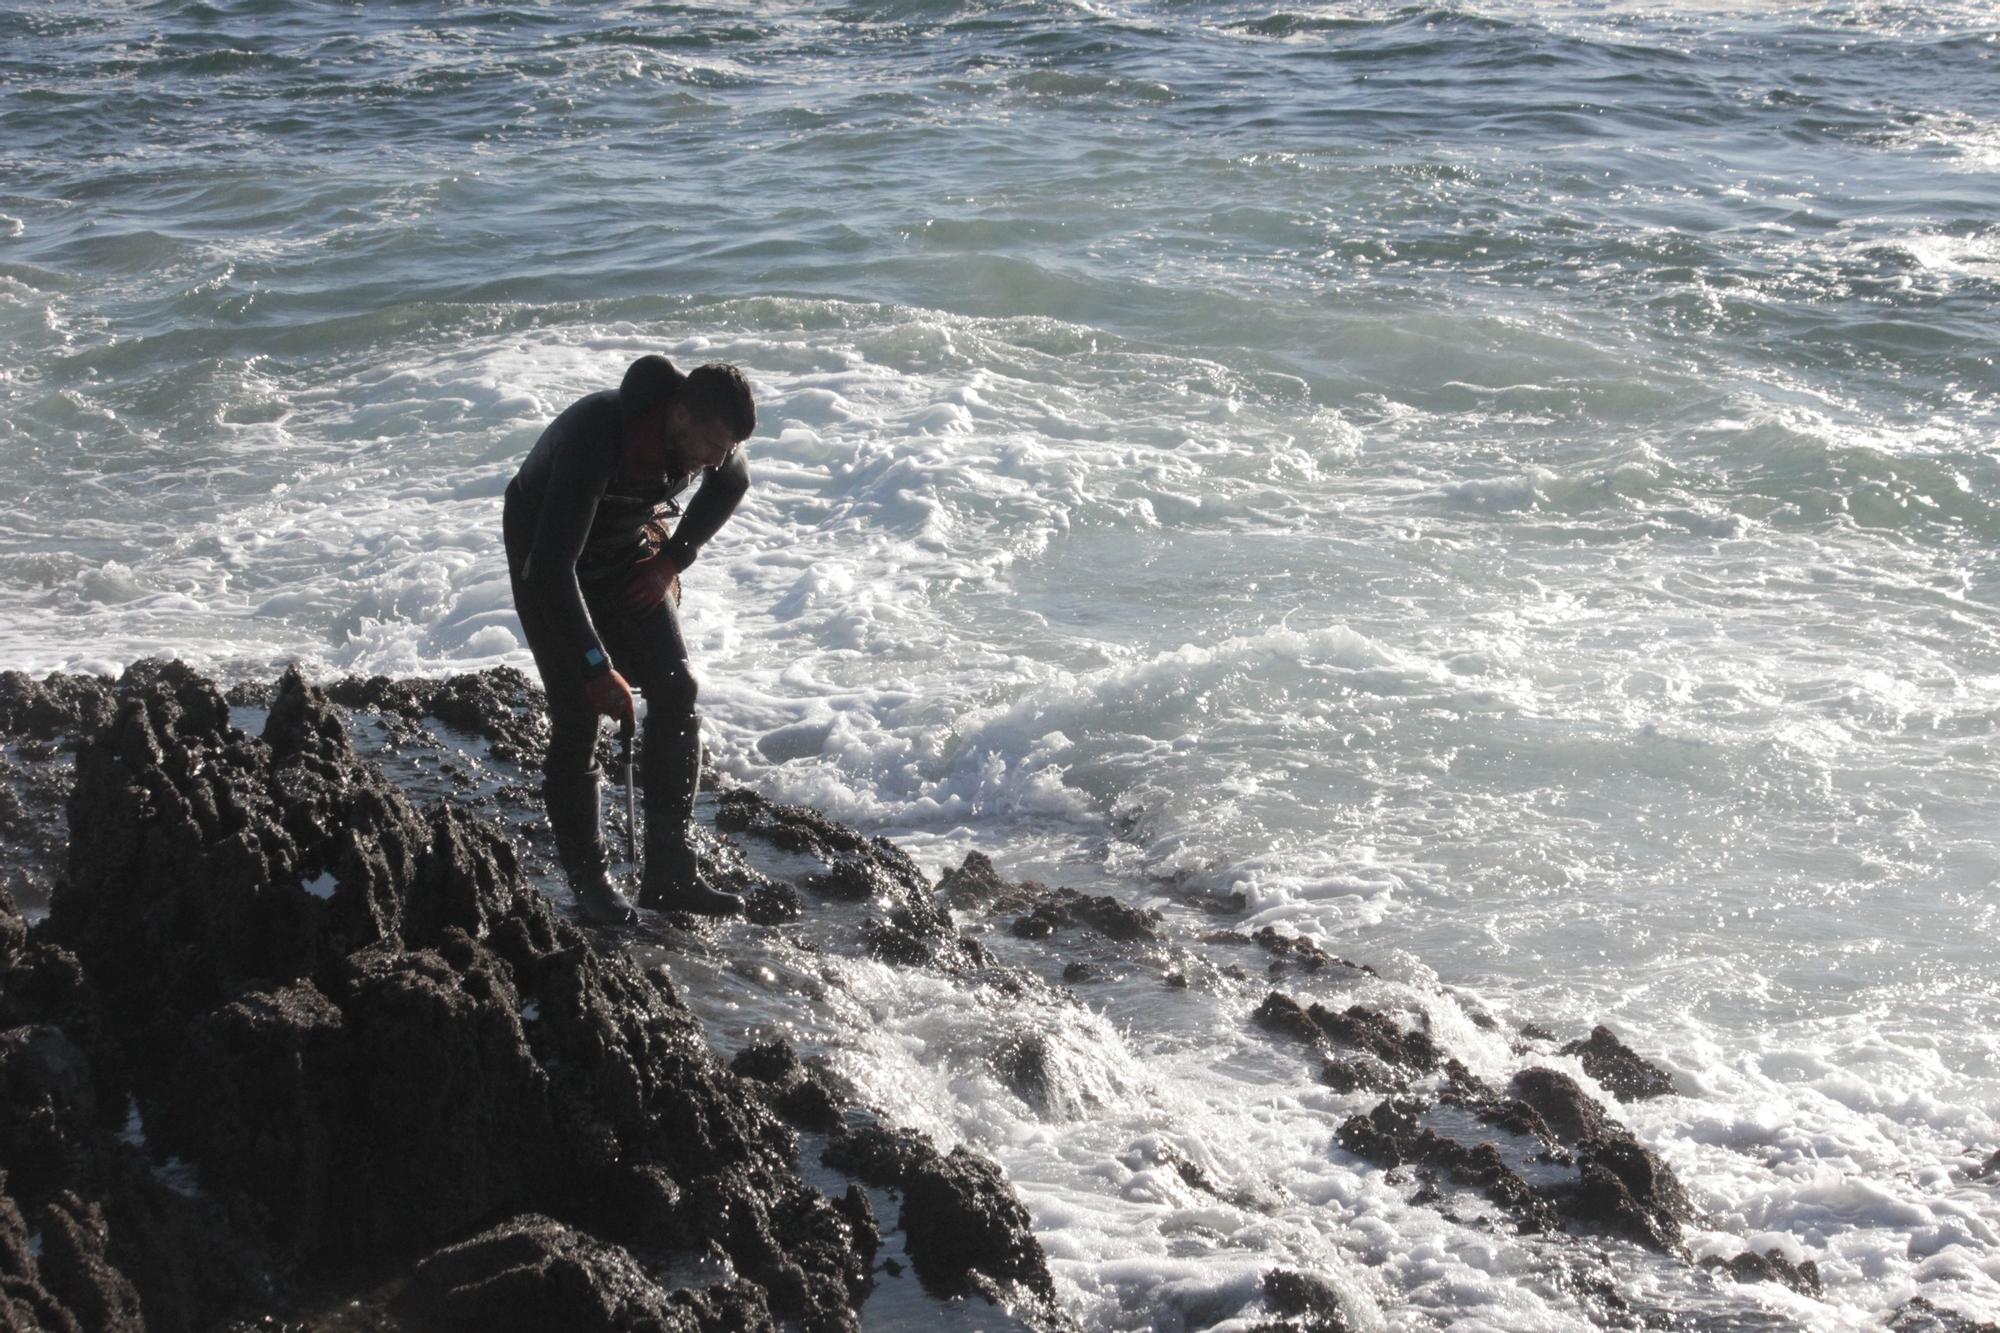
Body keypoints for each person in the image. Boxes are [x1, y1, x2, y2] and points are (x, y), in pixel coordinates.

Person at [504, 353, 754, 924]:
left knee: (677, 690)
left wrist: (671, 560)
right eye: (713, 445)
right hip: (545, 552)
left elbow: (734, 479)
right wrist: (596, 665)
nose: (717, 460)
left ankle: (669, 873)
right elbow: (550, 568)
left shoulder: (710, 440)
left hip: (623, 551)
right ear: (681, 414)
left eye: (726, 448)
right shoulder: (599, 434)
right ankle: (590, 883)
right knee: (578, 713)